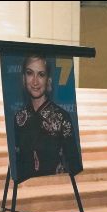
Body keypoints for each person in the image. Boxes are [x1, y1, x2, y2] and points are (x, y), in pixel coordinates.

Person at [12, 54, 82, 184]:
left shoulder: (62, 118)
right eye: (29, 73)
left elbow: (74, 165)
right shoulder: (18, 118)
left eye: (41, 75)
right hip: (26, 191)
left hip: (55, 190)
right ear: (23, 78)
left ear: (48, 80)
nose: (35, 81)